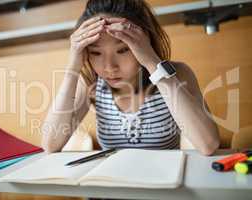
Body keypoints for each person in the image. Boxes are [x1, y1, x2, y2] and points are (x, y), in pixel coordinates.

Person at [41, 0, 220, 156]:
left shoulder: (177, 74)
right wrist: (73, 67)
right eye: (95, 52)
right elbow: (50, 144)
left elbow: (208, 145)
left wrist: (151, 61)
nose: (110, 67)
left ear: (144, 43)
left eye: (123, 49)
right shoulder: (90, 81)